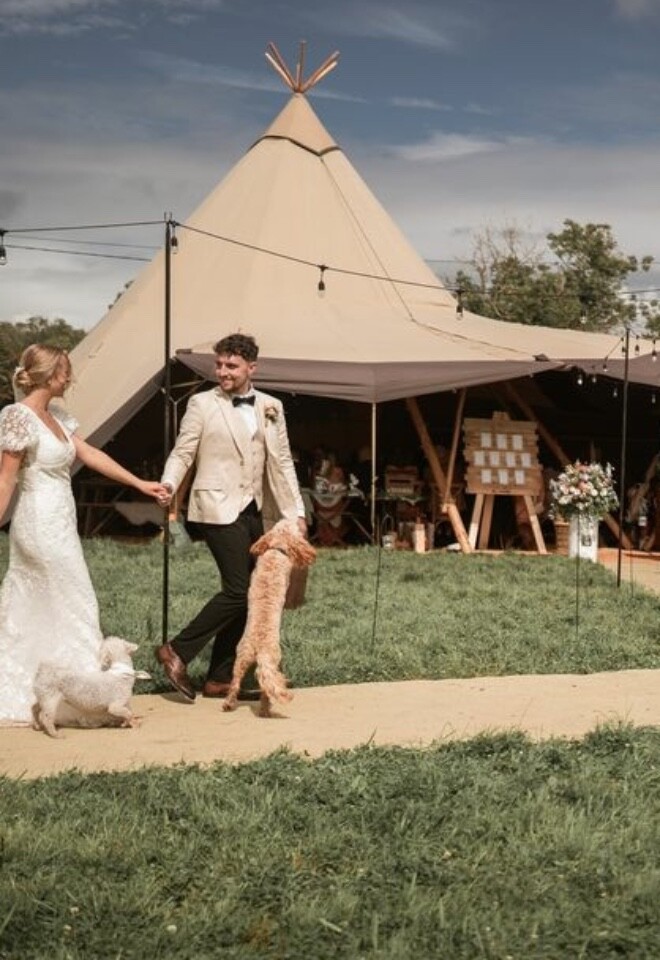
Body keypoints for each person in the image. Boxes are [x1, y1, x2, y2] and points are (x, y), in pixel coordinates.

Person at [0, 344, 166, 726]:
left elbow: (90, 455)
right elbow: (7, 478)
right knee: (76, 601)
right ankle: (82, 698)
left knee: (52, 606)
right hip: (38, 524)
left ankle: (50, 691)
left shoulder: (55, 415)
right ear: (51, 374)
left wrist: (140, 483)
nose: (71, 379)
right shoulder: (17, 417)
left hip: (61, 522)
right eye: (66, 372)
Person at [154, 332, 306, 702]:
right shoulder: (202, 404)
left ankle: (220, 677)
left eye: (231, 366)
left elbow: (282, 461)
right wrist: (169, 484)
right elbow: (183, 451)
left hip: (258, 510)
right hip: (217, 507)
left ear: (251, 368)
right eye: (219, 364)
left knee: (253, 593)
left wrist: (296, 512)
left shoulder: (271, 406)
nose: (222, 371)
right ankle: (177, 650)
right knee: (238, 588)